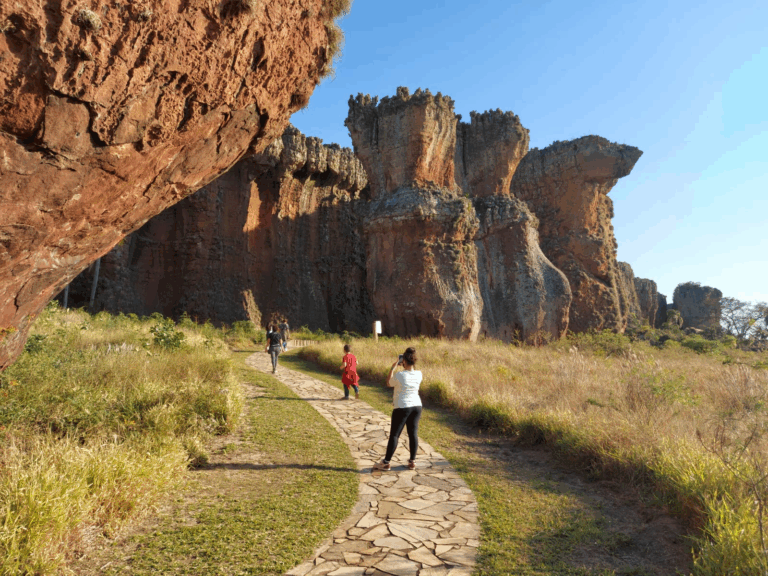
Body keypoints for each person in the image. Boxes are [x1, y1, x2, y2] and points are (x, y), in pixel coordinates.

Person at [373, 347, 422, 471]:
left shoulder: (400, 375)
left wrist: (393, 367)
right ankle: (412, 462)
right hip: (416, 406)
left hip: (402, 406)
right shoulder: (419, 374)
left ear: (403, 360)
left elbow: (389, 383)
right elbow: (412, 372)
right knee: (413, 433)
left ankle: (386, 462)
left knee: (395, 435)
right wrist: (407, 364)